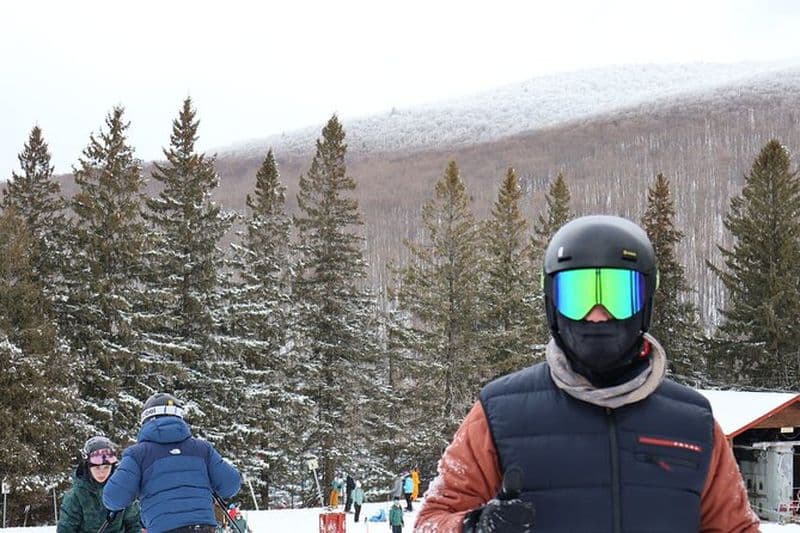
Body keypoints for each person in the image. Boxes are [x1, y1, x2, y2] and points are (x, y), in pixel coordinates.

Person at [415, 215, 761, 532]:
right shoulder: (499, 412)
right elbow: (430, 521)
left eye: (616, 295)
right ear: (552, 303)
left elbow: (736, 529)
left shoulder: (693, 422)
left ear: (645, 304)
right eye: (578, 296)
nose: (598, 315)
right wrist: (473, 527)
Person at [103, 392, 241, 533]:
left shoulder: (137, 454)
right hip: (203, 527)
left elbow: (114, 498)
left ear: (146, 419)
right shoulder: (202, 449)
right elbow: (231, 485)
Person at [57, 436, 141, 533]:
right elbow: (66, 529)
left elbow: (134, 525)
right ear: (87, 466)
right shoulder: (75, 496)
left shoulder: (123, 491)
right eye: (97, 468)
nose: (102, 473)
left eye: (106, 467)